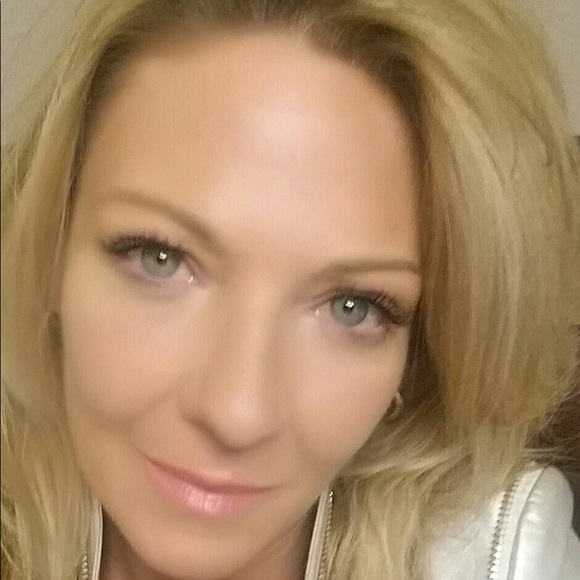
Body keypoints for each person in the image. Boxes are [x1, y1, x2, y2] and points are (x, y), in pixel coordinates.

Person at [2, 0, 579, 578]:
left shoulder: (502, 557)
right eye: (161, 259)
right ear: (49, 249)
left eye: (352, 308)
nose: (237, 414)